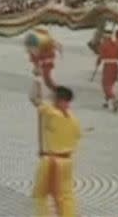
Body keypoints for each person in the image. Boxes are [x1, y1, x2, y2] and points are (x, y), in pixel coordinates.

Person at [30, 82, 81, 217]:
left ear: (60, 100)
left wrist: (37, 83)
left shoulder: (52, 113)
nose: (51, 100)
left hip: (52, 162)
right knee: (66, 197)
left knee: (40, 195)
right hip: (67, 162)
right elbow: (77, 136)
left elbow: (34, 99)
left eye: (53, 98)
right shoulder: (74, 119)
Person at [94, 30, 118, 112]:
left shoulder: (104, 45)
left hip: (108, 66)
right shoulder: (117, 43)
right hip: (116, 65)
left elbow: (100, 56)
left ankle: (114, 99)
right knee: (111, 85)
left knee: (105, 85)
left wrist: (97, 63)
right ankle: (106, 102)